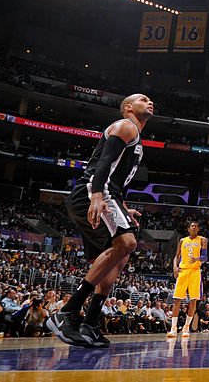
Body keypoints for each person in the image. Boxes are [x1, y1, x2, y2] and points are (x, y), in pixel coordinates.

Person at [47, 93, 153, 348]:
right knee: (127, 243)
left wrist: (123, 207)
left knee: (120, 254)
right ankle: (66, 312)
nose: (150, 102)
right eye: (143, 99)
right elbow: (103, 163)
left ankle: (90, 324)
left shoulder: (136, 138)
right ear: (128, 107)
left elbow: (116, 178)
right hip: (93, 192)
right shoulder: (125, 126)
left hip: (108, 194)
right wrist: (96, 195)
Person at [168, 221, 207, 338]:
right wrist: (174, 267)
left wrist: (197, 258)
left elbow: (205, 257)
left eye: (196, 226)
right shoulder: (182, 240)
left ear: (198, 229)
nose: (194, 227)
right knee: (177, 300)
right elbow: (177, 256)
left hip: (195, 272)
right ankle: (173, 328)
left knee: (193, 300)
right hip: (183, 271)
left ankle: (186, 327)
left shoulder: (202, 240)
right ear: (189, 228)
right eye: (192, 226)